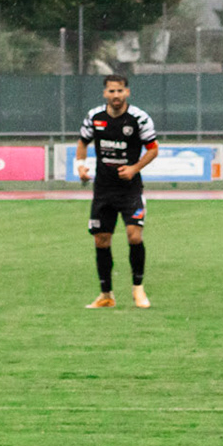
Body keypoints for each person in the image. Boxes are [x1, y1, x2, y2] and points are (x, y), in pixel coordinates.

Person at [76, 74, 158, 308]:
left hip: (130, 189)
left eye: (120, 91)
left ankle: (138, 290)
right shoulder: (95, 117)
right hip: (103, 189)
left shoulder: (139, 119)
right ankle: (106, 295)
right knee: (101, 240)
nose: (116, 96)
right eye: (111, 91)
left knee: (135, 236)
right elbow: (82, 142)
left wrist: (134, 168)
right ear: (105, 94)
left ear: (127, 92)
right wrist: (81, 167)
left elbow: (153, 149)